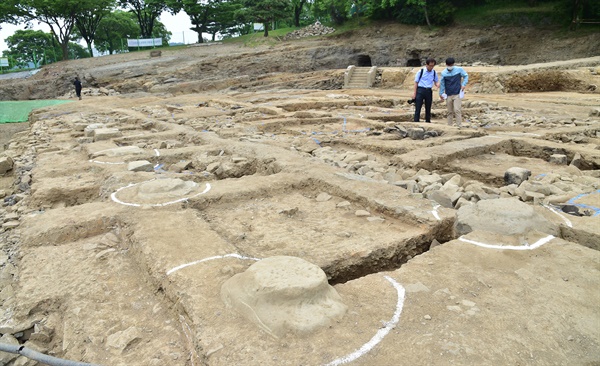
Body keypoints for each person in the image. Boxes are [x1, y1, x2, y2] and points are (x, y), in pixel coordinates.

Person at [439, 57, 468, 127]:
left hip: (457, 93)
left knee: (457, 110)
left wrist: (463, 85)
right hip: (448, 94)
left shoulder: (459, 70)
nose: (450, 67)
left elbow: (466, 76)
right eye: (449, 65)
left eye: (451, 65)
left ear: (453, 64)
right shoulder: (443, 73)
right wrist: (441, 93)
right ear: (446, 64)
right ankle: (449, 125)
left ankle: (459, 125)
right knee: (449, 111)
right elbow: (442, 84)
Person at [412, 58, 439, 123]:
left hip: (429, 90)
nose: (431, 67)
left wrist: (437, 84)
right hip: (420, 90)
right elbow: (416, 82)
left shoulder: (434, 72)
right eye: (430, 65)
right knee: (418, 106)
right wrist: (414, 93)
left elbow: (436, 81)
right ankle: (416, 121)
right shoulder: (421, 71)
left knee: (428, 106)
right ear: (426, 65)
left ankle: (428, 120)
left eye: (433, 66)